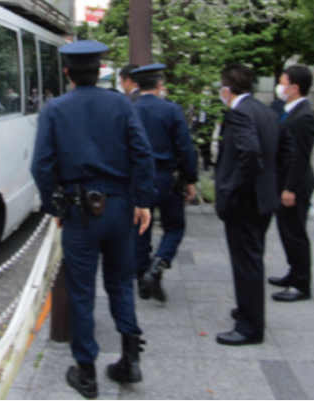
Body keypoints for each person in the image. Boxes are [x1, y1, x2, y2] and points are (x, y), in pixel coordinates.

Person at [30, 41, 155, 398]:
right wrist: (143, 200)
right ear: (99, 71)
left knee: (82, 292)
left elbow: (41, 165)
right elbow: (141, 152)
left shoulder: (55, 109)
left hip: (79, 210)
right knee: (120, 282)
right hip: (119, 206)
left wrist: (53, 207)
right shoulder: (120, 103)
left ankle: (87, 372)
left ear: (67, 72)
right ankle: (130, 359)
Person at [214, 63, 279, 346]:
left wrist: (236, 189)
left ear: (227, 90)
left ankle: (249, 327)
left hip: (246, 202)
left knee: (247, 263)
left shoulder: (239, 113)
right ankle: (246, 308)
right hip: (264, 198)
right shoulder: (265, 110)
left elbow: (250, 153)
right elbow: (281, 149)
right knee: (251, 258)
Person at [129, 64, 197, 303]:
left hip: (137, 178)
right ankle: (158, 265)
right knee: (175, 226)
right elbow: (185, 148)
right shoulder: (172, 110)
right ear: (159, 85)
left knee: (140, 227)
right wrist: (191, 179)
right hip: (166, 176)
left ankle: (142, 279)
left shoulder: (130, 110)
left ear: (137, 85)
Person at [269, 65, 314, 302]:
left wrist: (289, 188)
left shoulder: (304, 116)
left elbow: (299, 157)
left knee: (296, 233)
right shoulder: (289, 110)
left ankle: (301, 284)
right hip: (284, 180)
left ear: (294, 87)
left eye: (282, 81)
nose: (279, 86)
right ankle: (293, 272)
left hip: (295, 185)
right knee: (287, 232)